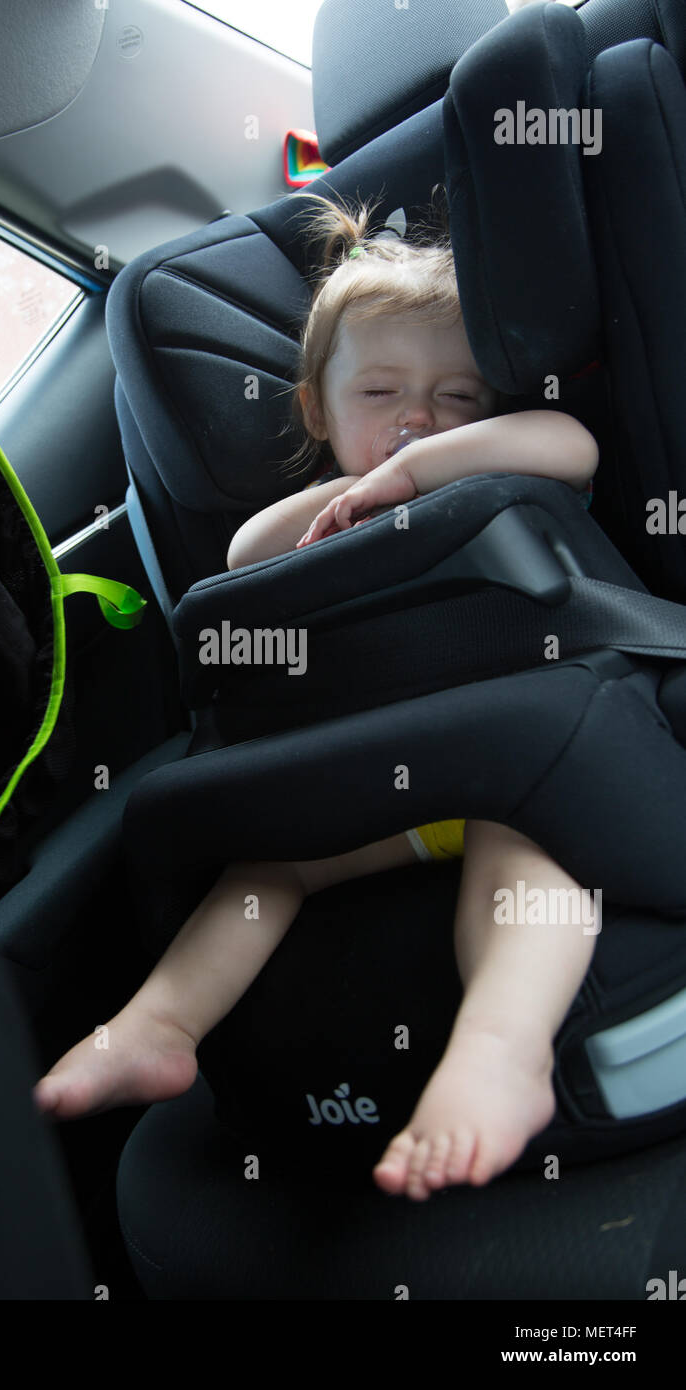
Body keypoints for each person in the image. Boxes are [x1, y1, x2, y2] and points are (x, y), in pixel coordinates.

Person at [34, 192, 599, 1202]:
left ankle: (498, 1052)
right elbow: (247, 560)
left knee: (521, 872)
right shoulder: (304, 521)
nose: (418, 418)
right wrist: (357, 501)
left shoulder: (499, 466)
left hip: (519, 777)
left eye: (458, 397)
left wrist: (431, 465)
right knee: (267, 873)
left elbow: (572, 447)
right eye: (381, 393)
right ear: (316, 411)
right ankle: (156, 1025)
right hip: (376, 800)